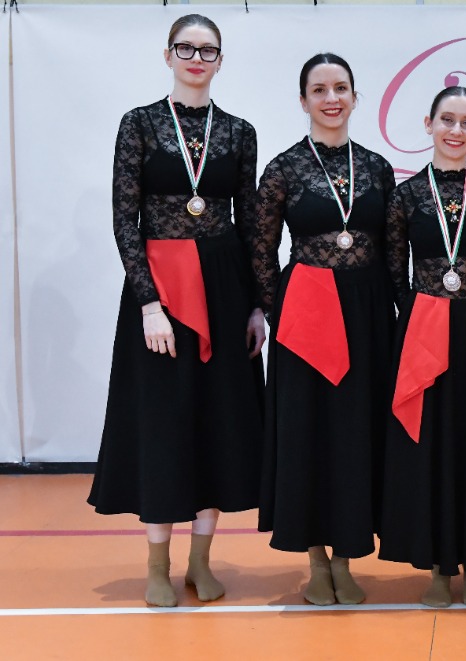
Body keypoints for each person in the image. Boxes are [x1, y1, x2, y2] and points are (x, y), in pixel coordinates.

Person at [88, 14, 264, 608]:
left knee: (217, 421)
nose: (196, 58)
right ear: (168, 56)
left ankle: (200, 563)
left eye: (207, 50)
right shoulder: (138, 123)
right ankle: (158, 565)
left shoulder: (239, 132)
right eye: (186, 48)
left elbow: (249, 224)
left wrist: (257, 306)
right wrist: (148, 304)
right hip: (160, 288)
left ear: (220, 61)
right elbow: (125, 220)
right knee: (163, 424)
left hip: (222, 290)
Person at [254, 54, 397, 606]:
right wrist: (280, 314)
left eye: (340, 88)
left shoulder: (377, 168)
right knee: (308, 434)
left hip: (367, 313)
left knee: (356, 433)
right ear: (303, 100)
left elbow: (394, 251)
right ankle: (315, 560)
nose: (331, 98)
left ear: (356, 97)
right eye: (319, 89)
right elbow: (261, 250)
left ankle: (346, 558)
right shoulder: (284, 168)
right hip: (306, 314)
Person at [378, 86, 466, 608]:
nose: (456, 131)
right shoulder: (406, 196)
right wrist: (424, 313)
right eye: (447, 120)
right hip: (423, 328)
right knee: (430, 447)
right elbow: (394, 273)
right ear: (429, 124)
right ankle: (437, 566)